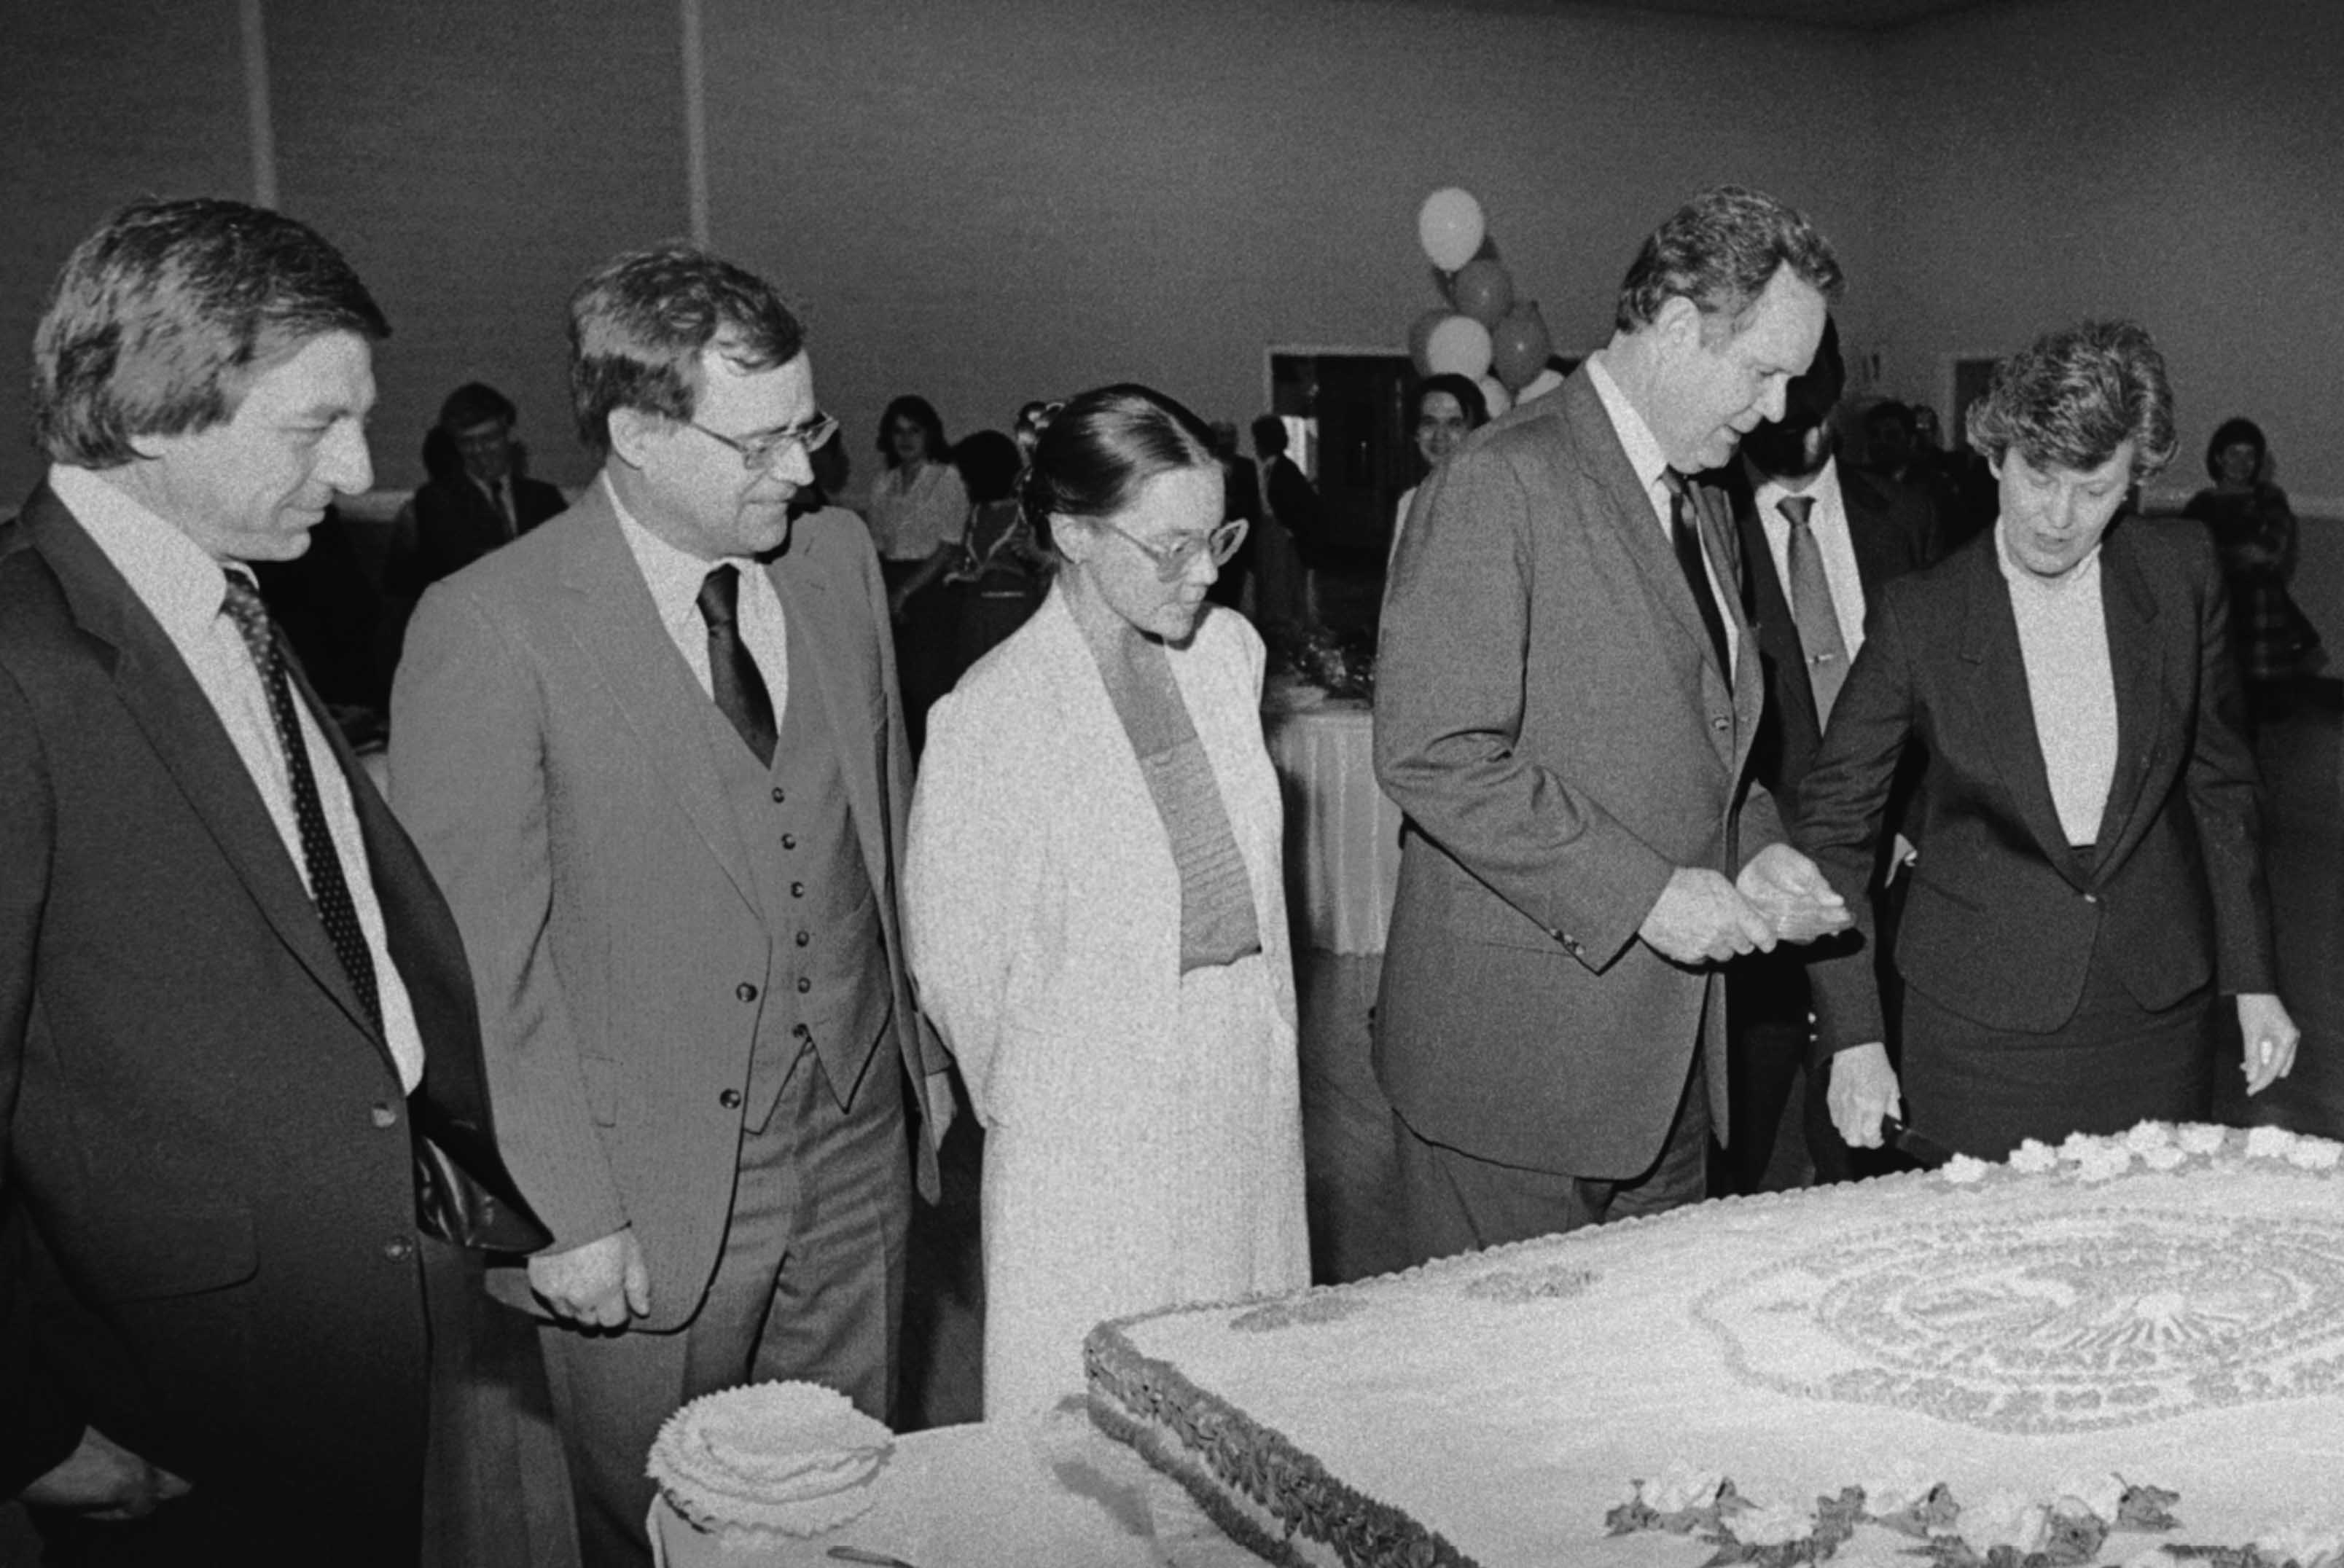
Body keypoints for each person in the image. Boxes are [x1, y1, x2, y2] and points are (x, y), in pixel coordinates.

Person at [390, 243, 954, 1567]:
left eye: (806, 426)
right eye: (758, 444)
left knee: (842, 1507)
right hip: (643, 1189)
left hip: (858, 1144)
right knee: (656, 1530)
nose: (805, 469)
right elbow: (475, 967)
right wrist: (562, 1212)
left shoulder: (837, 564)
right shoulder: (491, 625)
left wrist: (915, 1071)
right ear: (638, 433)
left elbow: (878, 819)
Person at [0, 197, 528, 1563]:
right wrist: (28, 1427)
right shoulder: (18, 661)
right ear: (159, 414)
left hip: (330, 1324)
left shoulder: (222, 590)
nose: (356, 469)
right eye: (312, 427)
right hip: (167, 1388)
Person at [1373, 186, 1851, 1265]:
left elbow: (1714, 741)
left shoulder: (1704, 495)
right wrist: (1644, 897)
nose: (1777, 412)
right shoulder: (1503, 479)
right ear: (1678, 327)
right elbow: (1433, 751)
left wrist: (1761, 847)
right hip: (1513, 1078)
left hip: (1672, 1061)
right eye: (1763, 372)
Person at [1797, 321, 2300, 1163]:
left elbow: (2222, 786)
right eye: (2038, 476)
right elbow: (1834, 825)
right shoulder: (1922, 613)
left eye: (2095, 488)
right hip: (1978, 1029)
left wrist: (2253, 977)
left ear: (2135, 480)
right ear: (1995, 453)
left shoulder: (2181, 575)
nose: (2060, 518)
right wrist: (1853, 1033)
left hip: (2153, 1012)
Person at [904, 385, 1306, 1417]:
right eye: (1168, 547)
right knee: (1093, 1424)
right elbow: (956, 967)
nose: (1207, 572)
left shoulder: (1229, 654)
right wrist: (1059, 1095)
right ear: (1073, 532)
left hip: (1239, 1071)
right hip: (1085, 1111)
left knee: (1248, 1388)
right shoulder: (992, 715)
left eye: (1217, 535)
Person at [1718, 315, 1934, 1193]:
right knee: (1729, 1174)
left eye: (1813, 393)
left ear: (1838, 389)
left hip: (1892, 886)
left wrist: (1910, 828)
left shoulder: (1909, 518)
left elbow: (1944, 698)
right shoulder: (1707, 524)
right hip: (1759, 896)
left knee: (1869, 1164)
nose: (1791, 419)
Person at [2184, 416, 2320, 727]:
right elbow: (2189, 559)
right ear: (2219, 457)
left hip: (2260, 619)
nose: (2242, 463)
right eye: (2235, 453)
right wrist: (2237, 554)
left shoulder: (2269, 499)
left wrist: (2220, 554)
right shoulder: (2200, 505)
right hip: (2215, 615)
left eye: (2250, 455)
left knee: (2260, 711)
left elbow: (2269, 551)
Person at [406, 380, 568, 589]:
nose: (479, 451)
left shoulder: (545, 498)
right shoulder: (436, 500)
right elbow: (458, 570)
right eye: (467, 442)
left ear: (508, 435)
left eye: (489, 438)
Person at [1388, 373, 1488, 571]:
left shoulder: (1495, 502)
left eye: (1455, 424)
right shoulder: (1410, 502)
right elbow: (1397, 585)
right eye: (1429, 423)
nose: (1439, 435)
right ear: (1416, 433)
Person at [1249, 412, 1318, 627]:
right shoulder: (1272, 469)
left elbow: (1299, 506)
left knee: (1282, 590)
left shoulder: (1285, 471)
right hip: (1273, 538)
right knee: (1272, 588)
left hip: (1282, 540)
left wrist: (1290, 531)